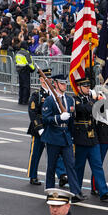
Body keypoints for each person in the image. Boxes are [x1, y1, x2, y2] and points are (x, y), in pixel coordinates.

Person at [42, 74, 86, 203]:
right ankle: (50, 191)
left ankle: (75, 193)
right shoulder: (50, 100)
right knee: (51, 166)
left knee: (71, 166)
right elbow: (45, 119)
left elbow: (72, 120)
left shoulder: (69, 100)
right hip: (53, 138)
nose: (64, 85)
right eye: (61, 83)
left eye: (65, 83)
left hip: (66, 137)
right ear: (55, 84)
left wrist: (71, 135)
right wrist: (59, 118)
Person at [73, 77, 108, 201]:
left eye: (88, 86)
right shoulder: (75, 100)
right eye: (85, 87)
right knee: (79, 167)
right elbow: (84, 109)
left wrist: (105, 100)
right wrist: (94, 100)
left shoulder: (90, 99)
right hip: (81, 138)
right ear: (79, 88)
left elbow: (102, 111)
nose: (88, 89)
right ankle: (76, 192)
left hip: (93, 138)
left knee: (97, 165)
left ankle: (103, 191)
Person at [27, 68, 67, 186]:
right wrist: (39, 128)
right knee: (36, 153)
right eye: (47, 78)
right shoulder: (37, 95)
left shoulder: (55, 94)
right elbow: (33, 112)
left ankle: (61, 175)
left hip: (52, 127)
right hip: (39, 128)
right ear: (41, 80)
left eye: (50, 79)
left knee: (56, 153)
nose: (49, 80)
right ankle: (33, 175)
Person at [15, 41, 35, 105]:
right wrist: (33, 69)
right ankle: (25, 100)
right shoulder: (26, 53)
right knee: (26, 86)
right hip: (25, 70)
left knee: (21, 86)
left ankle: (20, 100)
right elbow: (30, 63)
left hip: (19, 70)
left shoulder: (18, 53)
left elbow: (16, 61)